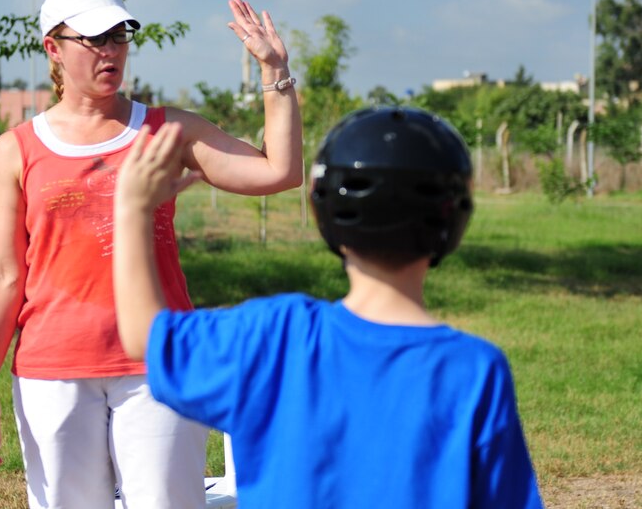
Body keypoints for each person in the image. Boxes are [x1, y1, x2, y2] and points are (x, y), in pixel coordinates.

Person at [0, 0, 302, 509]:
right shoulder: (16, 150)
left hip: (156, 366)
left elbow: (279, 172)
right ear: (53, 47)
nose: (110, 51)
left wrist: (275, 73)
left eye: (119, 36)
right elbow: (5, 275)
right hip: (53, 371)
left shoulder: (168, 131)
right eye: (94, 38)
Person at [113, 106, 545, 508]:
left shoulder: (274, 337)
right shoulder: (474, 369)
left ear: (326, 215)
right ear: (454, 222)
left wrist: (132, 208)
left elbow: (143, 335)